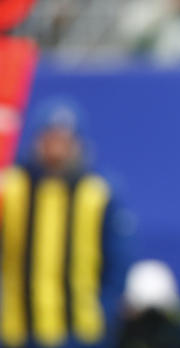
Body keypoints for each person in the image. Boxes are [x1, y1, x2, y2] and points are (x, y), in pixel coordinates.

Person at [0, 99, 132, 347]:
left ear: (78, 144)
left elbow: (118, 263)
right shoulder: (12, 187)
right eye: (50, 139)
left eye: (64, 140)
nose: (56, 149)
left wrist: (102, 312)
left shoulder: (98, 192)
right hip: (18, 330)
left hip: (79, 332)